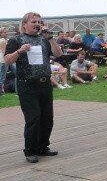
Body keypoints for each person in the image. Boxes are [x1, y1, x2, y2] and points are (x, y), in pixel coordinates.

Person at [4, 12, 63, 163]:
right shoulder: (16, 40)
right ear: (24, 24)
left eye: (39, 21)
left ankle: (43, 147)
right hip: (27, 84)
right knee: (33, 118)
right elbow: (7, 60)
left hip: (44, 83)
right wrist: (19, 51)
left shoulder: (44, 39)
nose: (37, 24)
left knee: (47, 118)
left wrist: (50, 38)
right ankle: (30, 150)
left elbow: (58, 54)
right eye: (34, 21)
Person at [0, 27, 7, 94]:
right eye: (4, 32)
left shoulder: (2, 40)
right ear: (1, 33)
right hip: (4, 61)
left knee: (2, 77)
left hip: (3, 61)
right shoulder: (3, 41)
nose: (6, 33)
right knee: (2, 77)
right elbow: (3, 52)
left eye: (6, 32)